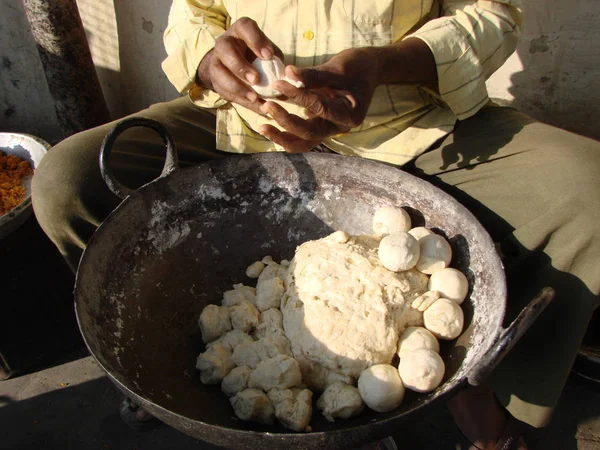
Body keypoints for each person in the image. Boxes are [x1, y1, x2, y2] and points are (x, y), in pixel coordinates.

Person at [32, 1, 600, 449]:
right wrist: (208, 58)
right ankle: (147, 362)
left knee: (588, 189)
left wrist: (384, 63)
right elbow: (194, 14)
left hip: (402, 132)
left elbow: (493, 15)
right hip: (249, 128)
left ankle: (483, 394)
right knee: (67, 181)